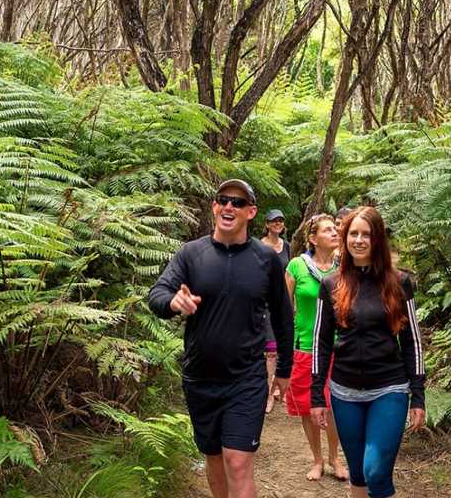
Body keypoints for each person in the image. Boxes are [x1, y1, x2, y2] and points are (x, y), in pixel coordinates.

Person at [148, 180, 294, 498]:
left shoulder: (265, 259)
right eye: (223, 200)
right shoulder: (191, 254)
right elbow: (156, 294)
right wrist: (174, 302)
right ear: (214, 207)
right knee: (214, 459)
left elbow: (283, 317)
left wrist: (284, 370)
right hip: (201, 378)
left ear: (251, 212)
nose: (229, 207)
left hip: (247, 377)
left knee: (238, 462)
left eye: (238, 203)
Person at [311, 206, 426, 498]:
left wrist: (418, 395)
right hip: (344, 392)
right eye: (353, 233)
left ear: (377, 241)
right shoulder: (331, 284)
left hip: (389, 389)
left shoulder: (399, 283)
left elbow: (412, 341)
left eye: (367, 234)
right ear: (345, 238)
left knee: (376, 470)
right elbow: (321, 343)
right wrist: (316, 395)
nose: (359, 240)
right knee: (359, 474)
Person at [283, 214, 349, 482]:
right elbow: (284, 309)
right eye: (327, 230)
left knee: (334, 404)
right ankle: (317, 459)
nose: (335, 233)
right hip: (306, 346)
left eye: (335, 229)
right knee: (308, 405)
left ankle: (335, 458)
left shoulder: (345, 267)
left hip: (338, 346)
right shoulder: (296, 266)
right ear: (313, 238)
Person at [261, 208, 291, 412]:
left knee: (281, 348)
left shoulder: (287, 246)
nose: (277, 224)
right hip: (263, 303)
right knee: (270, 352)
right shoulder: (259, 246)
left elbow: (290, 275)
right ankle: (268, 395)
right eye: (273, 221)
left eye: (280, 221)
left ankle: (276, 387)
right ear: (267, 224)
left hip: (282, 302)